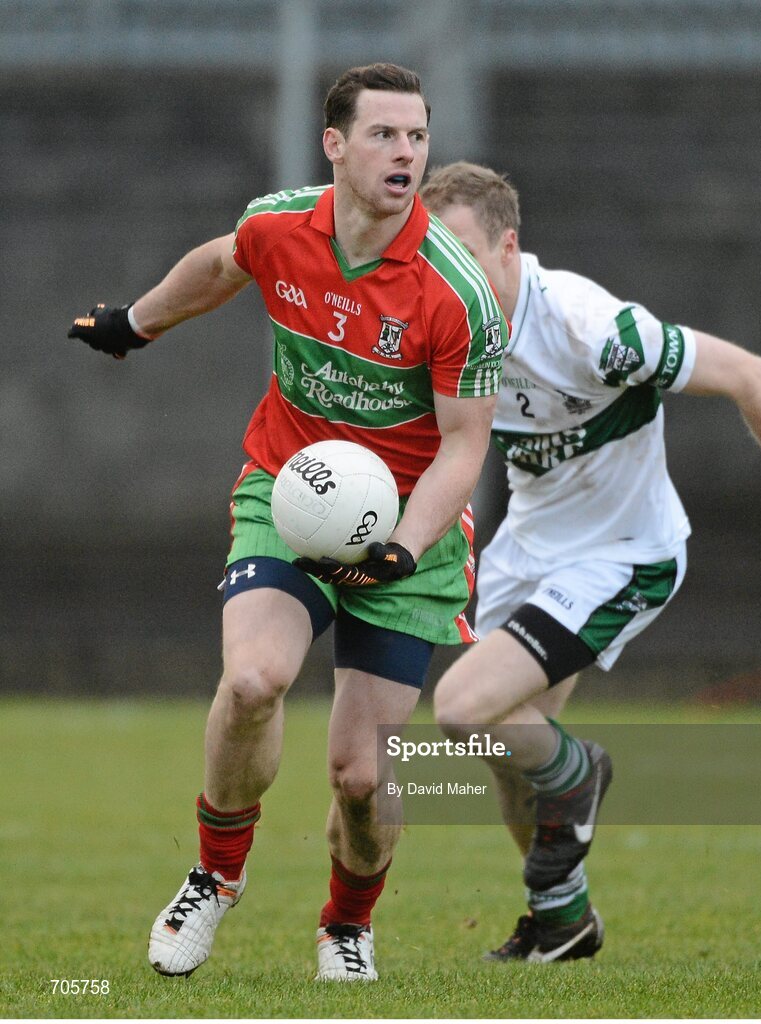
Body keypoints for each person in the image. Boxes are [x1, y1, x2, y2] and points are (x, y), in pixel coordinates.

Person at [67, 70, 507, 983]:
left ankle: (347, 925)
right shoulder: (281, 224)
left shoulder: (456, 293)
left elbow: (466, 448)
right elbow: (225, 261)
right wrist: (134, 324)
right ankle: (214, 878)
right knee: (256, 678)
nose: (407, 153)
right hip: (290, 487)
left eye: (418, 137)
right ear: (335, 146)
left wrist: (406, 545)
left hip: (413, 531)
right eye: (384, 135)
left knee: (359, 777)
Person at [422, 162, 761, 964]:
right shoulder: (443, 328)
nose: (449, 280)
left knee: (460, 709)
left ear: (510, 248)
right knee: (512, 749)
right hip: (528, 556)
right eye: (433, 260)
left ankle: (584, 773)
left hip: (624, 557)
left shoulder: (593, 329)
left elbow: (751, 375)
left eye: (463, 257)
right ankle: (562, 918)